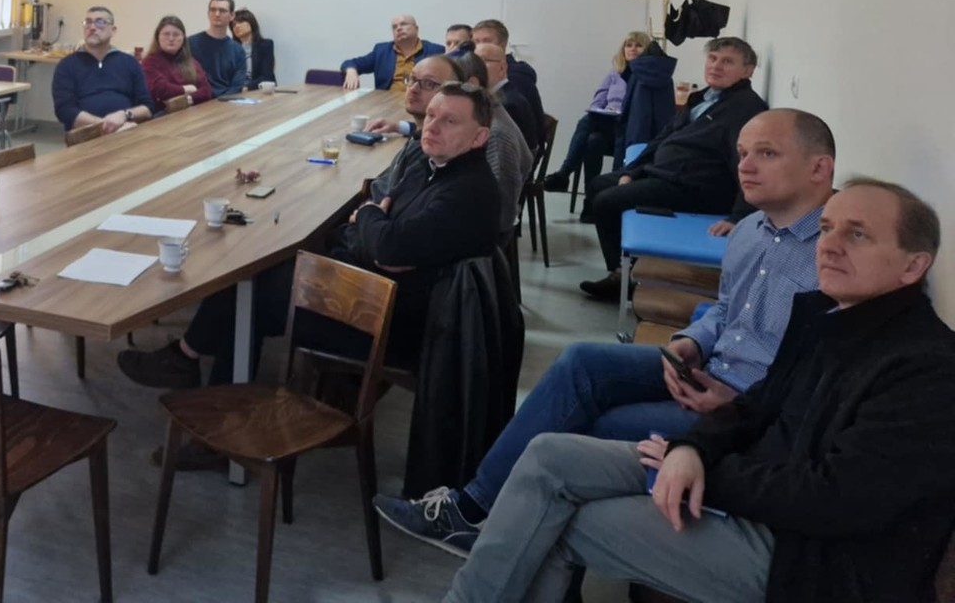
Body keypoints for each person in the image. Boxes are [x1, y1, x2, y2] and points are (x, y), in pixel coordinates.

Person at [435, 177, 955, 603]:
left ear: (914, 265)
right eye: (826, 228)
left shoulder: (926, 369)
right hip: (755, 487)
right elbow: (755, 406)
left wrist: (709, 472)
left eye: (858, 235)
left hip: (809, 557)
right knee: (550, 455)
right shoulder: (827, 314)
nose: (830, 245)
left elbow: (836, 500)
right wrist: (691, 448)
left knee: (567, 521)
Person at [376, 109, 834, 558]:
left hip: (749, 411)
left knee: (588, 430)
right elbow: (725, 309)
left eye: (766, 153)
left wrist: (740, 406)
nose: (745, 166)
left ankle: (502, 535)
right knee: (581, 361)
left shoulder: (834, 262)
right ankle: (474, 509)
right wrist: (692, 340)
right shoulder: (751, 230)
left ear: (819, 168)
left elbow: (826, 382)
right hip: (707, 371)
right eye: (742, 153)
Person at [118, 83, 502, 400]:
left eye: (449, 121)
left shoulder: (468, 192)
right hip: (371, 287)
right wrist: (374, 225)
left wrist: (371, 220)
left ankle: (205, 400)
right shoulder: (434, 163)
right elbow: (379, 224)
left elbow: (388, 246)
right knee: (258, 273)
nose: (432, 126)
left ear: (479, 137)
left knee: (248, 289)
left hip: (384, 321)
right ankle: (194, 369)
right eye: (431, 115)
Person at [579, 37, 767, 300]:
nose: (716, 66)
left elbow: (747, 166)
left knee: (607, 202)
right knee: (598, 185)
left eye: (727, 62)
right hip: (666, 172)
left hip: (694, 187)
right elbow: (662, 138)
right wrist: (632, 171)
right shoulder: (702, 98)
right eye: (713, 59)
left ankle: (627, 278)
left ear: (748, 70)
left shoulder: (746, 109)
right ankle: (626, 271)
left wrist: (738, 218)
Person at [543, 30, 650, 193]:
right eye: (629, 45)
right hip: (608, 123)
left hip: (627, 128)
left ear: (646, 49)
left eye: (638, 46)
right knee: (593, 138)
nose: (633, 49)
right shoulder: (615, 73)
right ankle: (590, 197)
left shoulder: (646, 77)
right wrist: (604, 109)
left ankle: (564, 173)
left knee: (588, 126)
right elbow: (598, 99)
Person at [452, 50, 533, 237]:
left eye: (448, 86)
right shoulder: (486, 113)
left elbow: (501, 212)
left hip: (482, 233)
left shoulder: (496, 133)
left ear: (471, 84)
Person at [51, 7, 153, 133]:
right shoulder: (67, 65)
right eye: (88, 22)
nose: (92, 27)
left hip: (127, 131)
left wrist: (124, 115)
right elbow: (65, 110)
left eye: (100, 22)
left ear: (113, 30)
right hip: (86, 134)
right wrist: (106, 126)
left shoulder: (130, 62)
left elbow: (147, 108)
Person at [341, 15, 444, 91]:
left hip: (420, 104)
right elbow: (351, 63)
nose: (398, 28)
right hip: (386, 102)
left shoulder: (435, 51)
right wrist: (351, 71)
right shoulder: (382, 51)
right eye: (394, 27)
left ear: (416, 29)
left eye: (403, 24)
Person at [473, 42, 542, 155]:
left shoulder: (508, 104)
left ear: (502, 68)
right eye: (474, 62)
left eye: (483, 61)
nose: (475, 68)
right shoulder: (502, 95)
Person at [472, 19, 543, 125]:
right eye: (476, 42)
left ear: (503, 45)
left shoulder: (517, 77)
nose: (480, 46)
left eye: (486, 41)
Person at [140, 16, 213, 113]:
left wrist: (185, 100)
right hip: (163, 115)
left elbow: (206, 91)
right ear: (158, 37)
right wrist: (187, 89)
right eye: (166, 34)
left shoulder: (191, 62)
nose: (171, 38)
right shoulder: (149, 62)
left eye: (176, 34)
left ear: (183, 39)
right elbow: (161, 90)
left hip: (192, 112)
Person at [188, 0, 246, 98]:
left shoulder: (238, 50)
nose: (217, 14)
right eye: (213, 10)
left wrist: (223, 101)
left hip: (226, 101)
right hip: (198, 101)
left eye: (222, 11)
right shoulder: (190, 43)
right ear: (208, 14)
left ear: (232, 16)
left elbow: (237, 85)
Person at [230, 8, 276, 90]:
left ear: (251, 23)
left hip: (258, 90)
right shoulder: (230, 49)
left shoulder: (265, 45)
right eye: (233, 25)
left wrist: (247, 87)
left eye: (241, 22)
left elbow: (267, 76)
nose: (237, 26)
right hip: (236, 91)